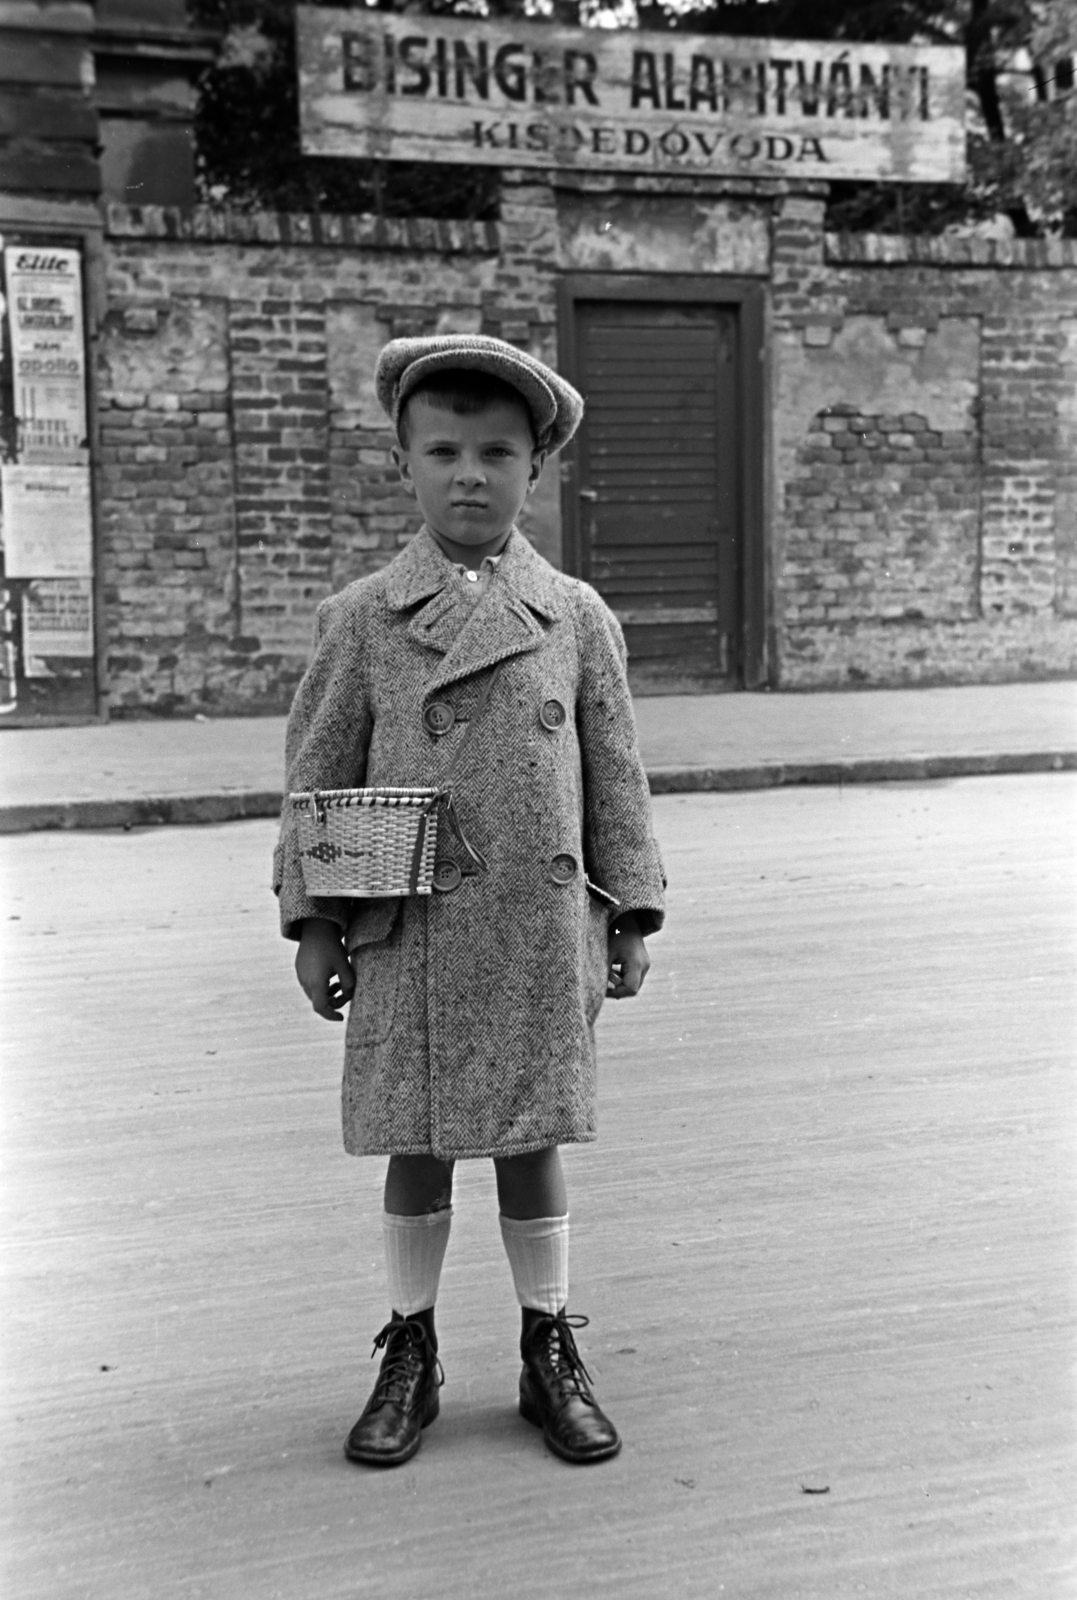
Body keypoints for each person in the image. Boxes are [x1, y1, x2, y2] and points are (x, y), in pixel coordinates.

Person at [274, 333, 665, 1468]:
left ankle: (550, 1346)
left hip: (541, 928)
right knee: (421, 1137)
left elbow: (615, 773)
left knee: (535, 1134)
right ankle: (410, 1351)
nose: (470, 475)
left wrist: (630, 907)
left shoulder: (578, 616)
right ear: (404, 463)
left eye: (497, 452)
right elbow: (318, 776)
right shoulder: (361, 618)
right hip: (413, 925)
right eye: (443, 449)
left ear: (533, 470)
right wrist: (313, 921)